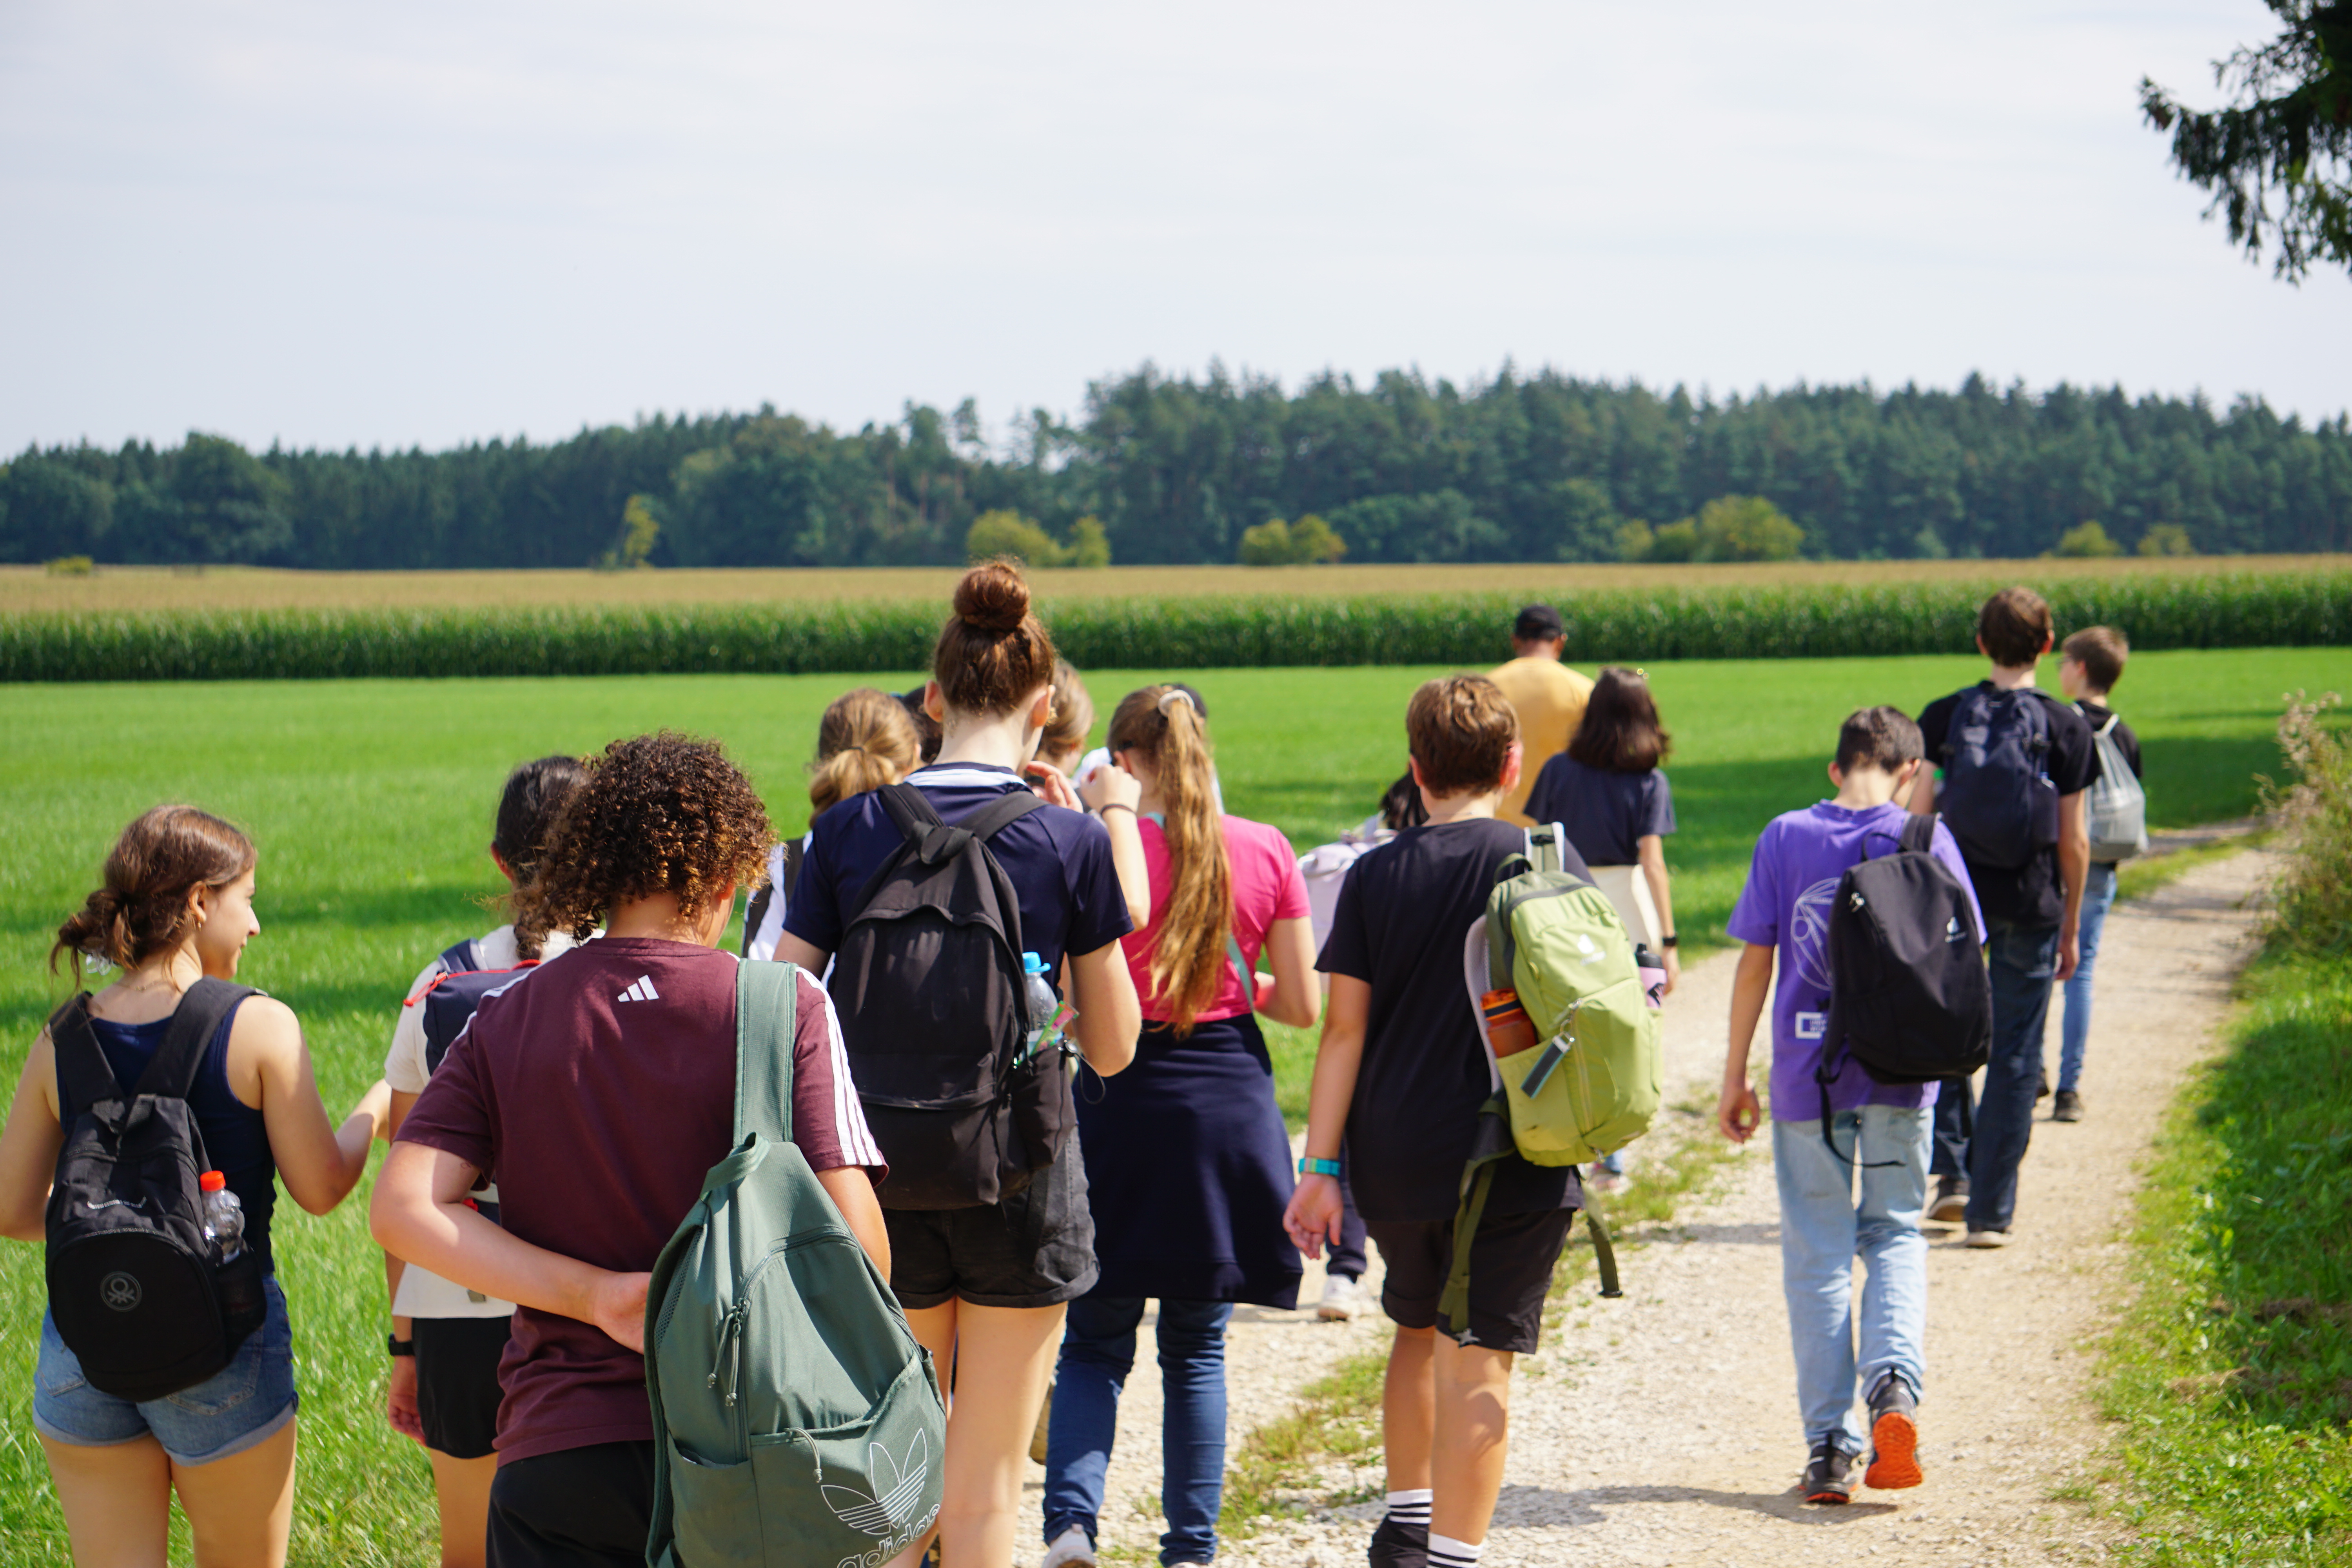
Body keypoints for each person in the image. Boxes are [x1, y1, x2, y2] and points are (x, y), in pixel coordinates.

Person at [372, 733, 890, 1568]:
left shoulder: (506, 1016)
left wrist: (593, 1295)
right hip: (751, 1446)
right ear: (726, 881)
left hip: (556, 1448)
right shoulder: (784, 1004)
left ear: (596, 871)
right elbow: (864, 1253)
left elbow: (402, 1207)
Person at [772, 561, 1143, 1568]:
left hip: (877, 1182)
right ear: (1042, 706)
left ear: (930, 699)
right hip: (1022, 1176)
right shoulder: (1066, 840)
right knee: (983, 1502)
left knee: (899, 1490)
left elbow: (779, 1010)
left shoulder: (845, 830)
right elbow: (1113, 1046)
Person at [0, 805, 390, 1568]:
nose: (255, 926)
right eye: (248, 899)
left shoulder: (62, 1035)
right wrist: (375, 1106)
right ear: (200, 902)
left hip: (87, 1340)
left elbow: (13, 1210)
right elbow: (322, 1186)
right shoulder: (259, 1026)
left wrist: (127, 1225)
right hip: (224, 1345)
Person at [1283, 675, 1590, 1568]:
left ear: (1415, 770)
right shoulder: (1543, 862)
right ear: (1512, 763)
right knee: (1482, 1351)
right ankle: (1452, 1556)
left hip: (1400, 1153)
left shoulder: (1376, 872)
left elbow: (1343, 1031)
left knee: (1415, 1326)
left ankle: (1406, 1526)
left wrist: (1321, 1168)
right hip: (1520, 1147)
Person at [1040, 684, 1319, 1568]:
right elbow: (1304, 1003)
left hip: (1123, 1100)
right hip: (1225, 1103)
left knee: (1093, 1341)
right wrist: (1224, 980)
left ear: (1122, 762)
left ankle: (1073, 1526)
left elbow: (1068, 995)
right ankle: (1191, 1550)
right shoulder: (1264, 847)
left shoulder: (1092, 848)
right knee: (1197, 1347)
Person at [1715, 707, 1982, 1505]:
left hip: (1807, 1075)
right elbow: (1972, 953)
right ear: (1908, 767)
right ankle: (1894, 1387)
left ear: (1836, 769)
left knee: (1818, 1252)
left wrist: (1737, 1075)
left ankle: (1831, 1445)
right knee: (1896, 1229)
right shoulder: (1926, 835)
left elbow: (1755, 964)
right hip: (1904, 1073)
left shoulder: (1784, 836)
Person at [381, 755, 589, 1568]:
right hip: (598, 1298)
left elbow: (404, 1190)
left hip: (456, 1302)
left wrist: (404, 1346)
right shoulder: (634, 971)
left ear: (500, 861)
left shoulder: (443, 981)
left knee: (469, 1549)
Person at [1913, 587, 2098, 1245]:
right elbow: (2074, 842)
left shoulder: (1941, 718)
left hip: (1950, 903)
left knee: (1947, 1034)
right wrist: (2072, 923)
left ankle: (1953, 1182)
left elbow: (1918, 815)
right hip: (2031, 902)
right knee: (2017, 1052)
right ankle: (1992, 1212)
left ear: (1981, 644)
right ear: (2048, 645)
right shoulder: (2067, 726)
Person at [1524, 665, 1682, 994]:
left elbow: (1540, 844)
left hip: (1566, 902)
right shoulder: (1650, 781)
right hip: (1627, 906)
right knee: (1638, 1011)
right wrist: (1670, 941)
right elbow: (1653, 865)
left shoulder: (1556, 769)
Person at [744, 688, 922, 962]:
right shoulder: (932, 858)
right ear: (914, 757)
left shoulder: (781, 866)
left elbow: (761, 990)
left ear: (821, 762)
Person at [2051, 626, 2141, 1124]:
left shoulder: (2060, 724)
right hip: (2102, 867)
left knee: (2034, 972)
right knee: (2080, 973)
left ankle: (2031, 1070)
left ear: (2081, 668)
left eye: (2065, 662)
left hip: (2056, 865)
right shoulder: (2124, 732)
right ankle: (2070, 1088)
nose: (2060, 671)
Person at [1483, 604, 1593, 828]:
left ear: (1515, 640)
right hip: (1563, 826)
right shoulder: (1585, 691)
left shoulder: (1483, 689)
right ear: (1560, 641)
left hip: (1496, 825)